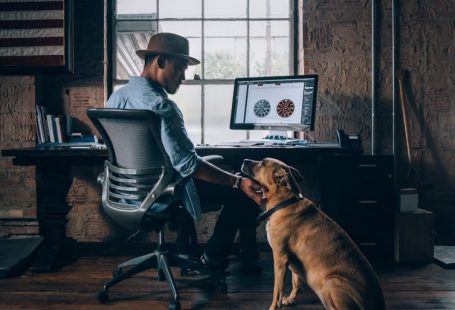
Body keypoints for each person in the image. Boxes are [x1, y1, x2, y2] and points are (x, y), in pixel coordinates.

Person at [106, 32, 262, 273]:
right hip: (160, 194)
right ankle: (212, 260)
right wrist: (239, 182)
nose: (183, 77)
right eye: (179, 68)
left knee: (204, 178)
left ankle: (186, 251)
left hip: (126, 193)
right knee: (242, 192)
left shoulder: (115, 99)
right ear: (159, 62)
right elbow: (189, 165)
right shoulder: (163, 106)